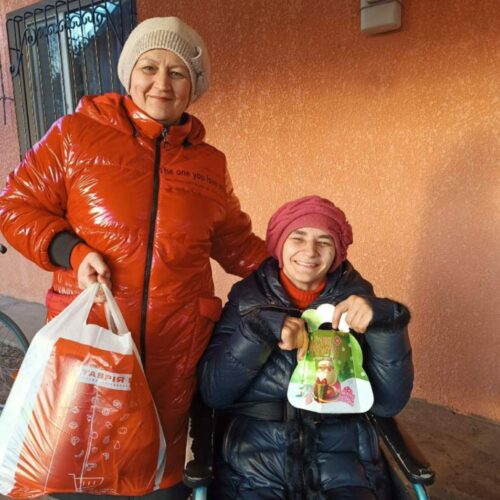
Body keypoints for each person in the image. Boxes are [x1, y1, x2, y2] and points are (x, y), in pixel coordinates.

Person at [0, 17, 267, 499]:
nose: (161, 83)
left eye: (178, 72)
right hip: (91, 338)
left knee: (157, 476)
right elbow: (15, 206)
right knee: (77, 463)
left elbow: (237, 244)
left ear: (194, 87)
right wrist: (72, 252)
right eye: (149, 67)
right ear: (129, 74)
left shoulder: (210, 164)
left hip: (174, 348)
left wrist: (309, 274)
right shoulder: (75, 136)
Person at [198, 195, 413, 499]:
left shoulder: (358, 304)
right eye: (297, 237)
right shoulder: (246, 302)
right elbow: (213, 391)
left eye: (324, 241)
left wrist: (385, 323)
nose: (309, 251)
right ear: (279, 244)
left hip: (345, 463)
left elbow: (389, 403)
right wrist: (262, 331)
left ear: (337, 252)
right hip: (253, 464)